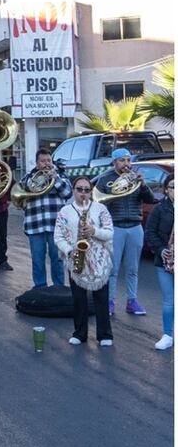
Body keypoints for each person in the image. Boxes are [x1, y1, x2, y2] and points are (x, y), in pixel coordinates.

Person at [95, 148, 156, 316]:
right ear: (114, 162)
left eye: (128, 160)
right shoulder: (106, 179)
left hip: (135, 227)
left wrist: (143, 185)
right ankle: (110, 302)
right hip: (115, 226)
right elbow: (98, 203)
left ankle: (132, 301)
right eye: (122, 160)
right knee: (112, 269)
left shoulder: (135, 179)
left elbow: (150, 199)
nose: (126, 164)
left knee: (132, 268)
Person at [54, 176, 114, 346]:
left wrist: (94, 231)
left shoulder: (100, 209)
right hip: (77, 258)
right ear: (73, 190)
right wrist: (69, 250)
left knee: (101, 298)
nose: (83, 193)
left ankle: (105, 335)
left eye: (86, 190)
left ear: (91, 192)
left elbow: (109, 232)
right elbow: (57, 236)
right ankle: (80, 333)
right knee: (78, 298)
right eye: (79, 189)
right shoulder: (65, 211)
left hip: (99, 259)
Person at [19, 149, 73, 289]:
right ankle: (40, 288)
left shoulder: (61, 176)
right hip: (35, 224)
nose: (47, 164)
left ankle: (59, 287)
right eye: (43, 161)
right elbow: (20, 196)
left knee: (57, 259)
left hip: (55, 225)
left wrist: (55, 179)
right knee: (37, 260)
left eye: (49, 160)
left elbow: (67, 193)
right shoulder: (28, 177)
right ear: (37, 164)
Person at [145, 174, 174, 350]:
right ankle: (168, 335)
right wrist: (162, 250)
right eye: (173, 186)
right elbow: (150, 232)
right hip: (166, 261)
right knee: (170, 300)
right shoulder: (159, 209)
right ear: (166, 190)